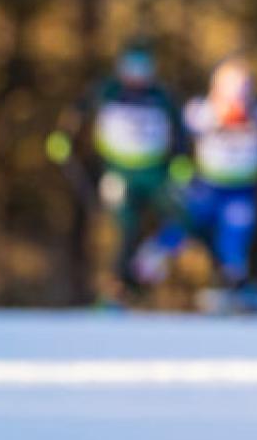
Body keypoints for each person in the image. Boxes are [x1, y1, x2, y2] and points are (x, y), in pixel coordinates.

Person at [134, 58, 257, 296]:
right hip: (205, 185)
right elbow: (176, 135)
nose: (238, 102)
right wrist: (178, 164)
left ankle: (235, 282)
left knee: (236, 235)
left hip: (242, 189)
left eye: (243, 92)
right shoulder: (202, 112)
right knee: (183, 223)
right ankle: (144, 267)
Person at [46, 40, 185, 300]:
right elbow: (78, 109)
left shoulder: (161, 95)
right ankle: (117, 287)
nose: (137, 74)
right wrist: (64, 136)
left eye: (143, 68)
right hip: (118, 171)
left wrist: (180, 159)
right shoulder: (108, 90)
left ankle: (148, 261)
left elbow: (179, 128)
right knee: (124, 227)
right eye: (132, 67)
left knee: (181, 218)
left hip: (155, 171)